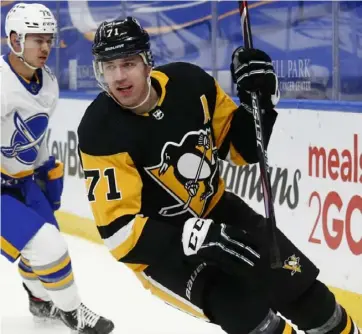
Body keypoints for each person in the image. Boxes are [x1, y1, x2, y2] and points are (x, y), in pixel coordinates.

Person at [77, 17, 360, 334]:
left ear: (146, 62)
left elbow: (243, 150)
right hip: (167, 253)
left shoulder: (190, 84)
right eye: (109, 66)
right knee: (256, 323)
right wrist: (195, 235)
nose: (118, 76)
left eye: (128, 63)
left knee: (310, 298)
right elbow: (119, 232)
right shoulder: (99, 131)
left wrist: (261, 101)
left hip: (221, 213)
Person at [0, 3, 114, 333]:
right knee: (49, 245)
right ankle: (72, 311)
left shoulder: (48, 82)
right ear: (14, 39)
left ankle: (39, 302)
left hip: (22, 182)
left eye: (49, 39)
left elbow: (35, 137)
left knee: (43, 250)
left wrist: (46, 168)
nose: (46, 47)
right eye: (37, 39)